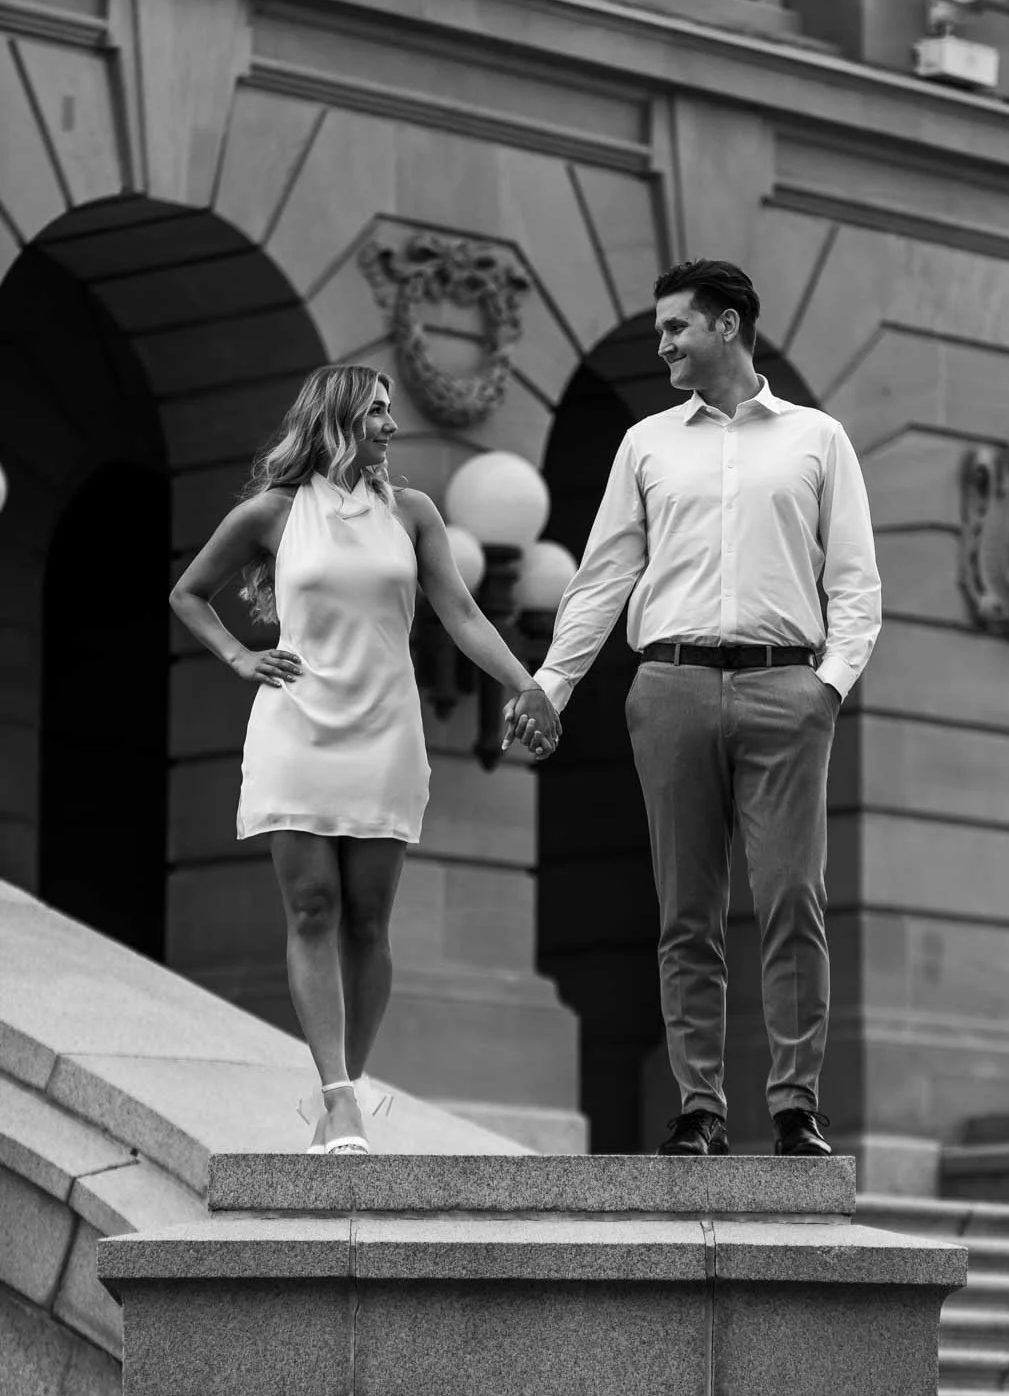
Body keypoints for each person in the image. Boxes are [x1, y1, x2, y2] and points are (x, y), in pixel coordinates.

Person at [521, 259, 881, 1157]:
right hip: (671, 686)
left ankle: (795, 1105)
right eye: (659, 333)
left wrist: (824, 688)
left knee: (793, 898)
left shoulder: (817, 439)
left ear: (726, 325)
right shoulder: (647, 443)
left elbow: (855, 583)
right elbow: (604, 574)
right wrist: (552, 683)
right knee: (687, 910)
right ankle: (700, 1108)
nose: (663, 345)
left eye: (675, 328)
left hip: (785, 686)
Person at [169, 364, 560, 1154]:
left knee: (370, 917)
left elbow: (461, 613)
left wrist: (529, 685)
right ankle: (340, 1098)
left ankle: (346, 1085)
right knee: (312, 905)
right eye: (377, 412)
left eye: (389, 412)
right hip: (296, 724)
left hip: (385, 728)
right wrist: (237, 658)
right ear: (339, 418)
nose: (390, 425)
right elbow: (188, 592)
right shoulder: (272, 512)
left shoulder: (412, 513)